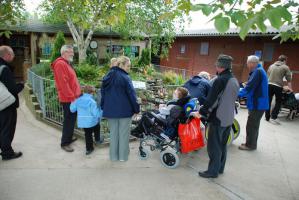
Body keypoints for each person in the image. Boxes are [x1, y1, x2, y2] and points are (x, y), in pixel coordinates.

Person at [192, 54, 239, 178]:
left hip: (218, 118)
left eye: (216, 65)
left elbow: (212, 100)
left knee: (214, 146)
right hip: (229, 118)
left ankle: (212, 171)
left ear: (220, 66)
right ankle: (219, 168)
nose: (216, 67)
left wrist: (200, 112)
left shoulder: (220, 80)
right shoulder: (234, 79)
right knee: (223, 145)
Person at [101, 56, 140, 161]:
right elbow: (132, 95)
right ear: (121, 65)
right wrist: (136, 109)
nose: (129, 68)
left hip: (110, 111)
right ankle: (122, 157)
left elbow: (102, 94)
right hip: (124, 112)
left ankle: (113, 157)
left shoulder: (107, 76)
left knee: (113, 135)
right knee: (123, 135)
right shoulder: (125, 77)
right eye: (128, 66)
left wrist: (103, 107)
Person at [51, 45, 81, 152]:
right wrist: (72, 97)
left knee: (71, 119)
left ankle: (68, 138)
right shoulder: (60, 64)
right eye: (70, 52)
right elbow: (63, 84)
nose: (72, 54)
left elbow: (70, 80)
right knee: (68, 120)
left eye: (72, 52)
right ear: (64, 52)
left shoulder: (66, 63)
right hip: (69, 99)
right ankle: (65, 143)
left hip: (72, 98)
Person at [238, 55, 269, 151]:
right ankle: (250, 143)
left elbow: (249, 87)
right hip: (259, 103)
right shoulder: (258, 71)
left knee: (252, 125)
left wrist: (235, 94)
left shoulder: (258, 72)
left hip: (258, 104)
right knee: (253, 125)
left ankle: (250, 145)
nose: (247, 65)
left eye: (247, 63)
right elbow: (250, 85)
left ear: (252, 63)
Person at [0, 45, 24, 160]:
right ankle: (7, 153)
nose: (14, 56)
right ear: (7, 55)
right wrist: (22, 85)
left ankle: (4, 148)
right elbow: (13, 90)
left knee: (2, 127)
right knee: (7, 129)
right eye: (13, 54)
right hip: (7, 104)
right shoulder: (4, 69)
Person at [70, 86, 102, 155]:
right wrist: (101, 110)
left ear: (83, 91)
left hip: (83, 122)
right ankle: (97, 140)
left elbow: (72, 110)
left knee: (88, 135)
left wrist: (73, 100)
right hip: (92, 121)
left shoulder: (78, 100)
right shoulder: (92, 101)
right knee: (97, 127)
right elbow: (96, 114)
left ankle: (89, 149)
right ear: (92, 93)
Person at [265, 55, 292, 123]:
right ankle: (274, 117)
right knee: (278, 101)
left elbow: (267, 75)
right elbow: (289, 79)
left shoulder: (271, 66)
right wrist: (290, 89)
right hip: (278, 86)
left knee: (268, 100)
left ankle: (267, 117)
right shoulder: (285, 67)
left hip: (269, 84)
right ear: (285, 60)